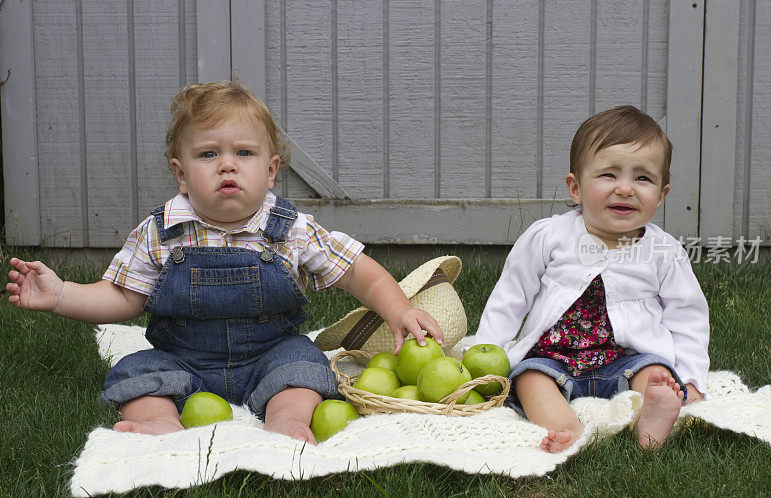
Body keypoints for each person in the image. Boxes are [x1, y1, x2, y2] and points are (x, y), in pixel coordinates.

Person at [6, 81, 443, 444]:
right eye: (208, 154)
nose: (227, 165)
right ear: (181, 173)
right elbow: (122, 297)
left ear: (271, 170)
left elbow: (354, 270)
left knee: (303, 367)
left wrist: (398, 308)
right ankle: (161, 422)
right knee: (139, 371)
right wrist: (63, 294)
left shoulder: (290, 229)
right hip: (183, 356)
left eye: (245, 154)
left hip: (269, 352)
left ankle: (285, 421)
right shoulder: (160, 231)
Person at [474, 105, 709, 452]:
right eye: (609, 175)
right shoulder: (548, 237)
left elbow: (688, 317)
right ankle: (570, 432)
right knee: (528, 379)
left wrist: (690, 379)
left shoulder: (664, 252)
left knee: (656, 376)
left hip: (627, 360)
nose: (626, 189)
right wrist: (486, 355)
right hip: (553, 360)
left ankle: (651, 425)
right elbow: (511, 297)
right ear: (575, 188)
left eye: (642, 178)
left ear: (661, 195)